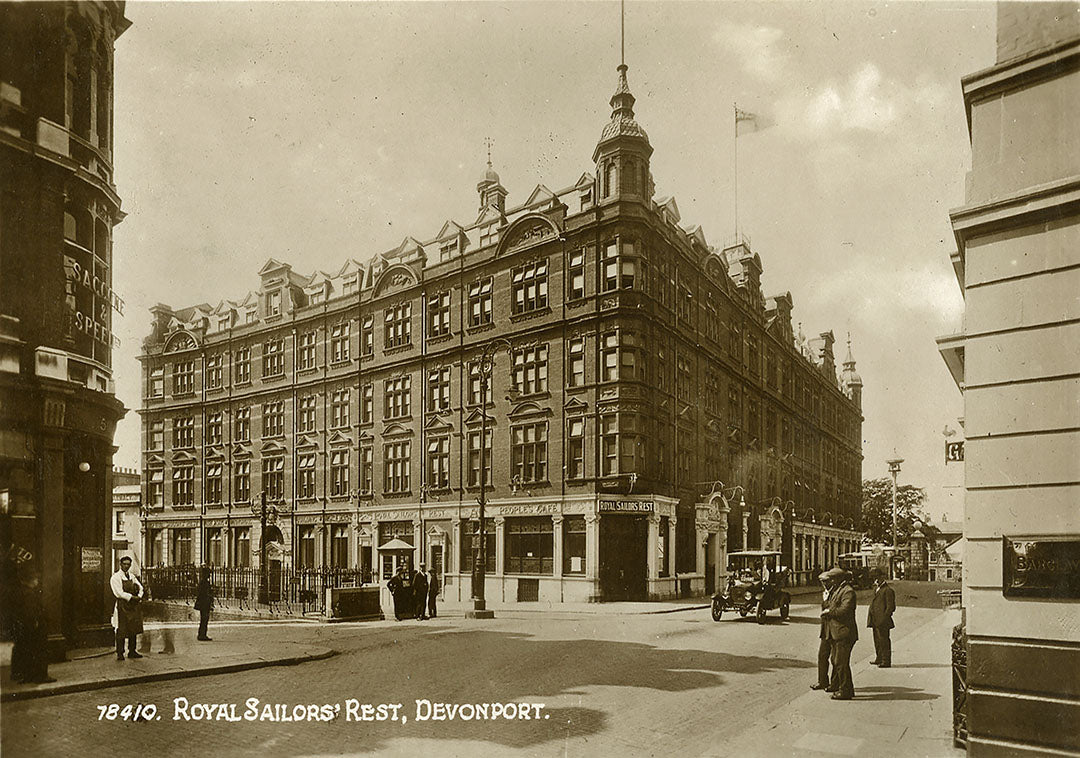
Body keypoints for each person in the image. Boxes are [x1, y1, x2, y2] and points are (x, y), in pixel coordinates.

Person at [10, 570, 55, 684]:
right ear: (30, 580)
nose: (37, 581)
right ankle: (41, 676)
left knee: (27, 651)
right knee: (40, 650)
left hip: (24, 627)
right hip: (35, 627)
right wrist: (36, 622)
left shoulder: (20, 592)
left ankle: (27, 676)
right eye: (35, 579)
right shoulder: (29, 594)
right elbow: (31, 612)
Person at [821, 567, 858, 700]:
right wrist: (826, 601)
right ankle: (845, 688)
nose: (829, 581)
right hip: (837, 632)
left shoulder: (848, 592)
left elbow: (844, 611)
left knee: (841, 662)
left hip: (845, 633)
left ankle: (845, 690)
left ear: (838, 579)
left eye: (831, 579)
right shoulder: (837, 590)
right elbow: (828, 605)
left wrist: (829, 612)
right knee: (837, 661)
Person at [110, 556, 144, 660]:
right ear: (120, 564)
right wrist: (131, 597)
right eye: (124, 564)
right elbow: (119, 593)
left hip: (133, 606)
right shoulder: (116, 577)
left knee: (133, 628)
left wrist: (139, 596)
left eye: (128, 564)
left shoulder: (132, 576)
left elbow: (140, 587)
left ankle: (132, 651)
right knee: (121, 629)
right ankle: (120, 653)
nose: (126, 566)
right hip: (122, 606)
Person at [810, 569, 835, 692]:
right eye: (823, 582)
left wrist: (825, 600)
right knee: (822, 655)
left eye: (826, 582)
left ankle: (835, 684)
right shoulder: (827, 592)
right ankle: (822, 681)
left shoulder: (835, 593)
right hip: (826, 630)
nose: (824, 585)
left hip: (835, 630)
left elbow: (831, 609)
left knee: (835, 658)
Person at [867, 570, 897, 667]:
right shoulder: (877, 589)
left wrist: (883, 618)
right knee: (877, 640)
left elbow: (891, 607)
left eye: (877, 578)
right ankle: (879, 658)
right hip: (875, 620)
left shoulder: (888, 590)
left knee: (884, 641)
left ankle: (886, 661)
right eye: (874, 578)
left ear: (882, 577)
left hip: (882, 621)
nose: (876, 580)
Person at [194, 566, 214, 641]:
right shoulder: (204, 583)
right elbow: (203, 594)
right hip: (204, 603)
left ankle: (202, 634)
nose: (209, 575)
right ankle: (202, 635)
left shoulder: (203, 582)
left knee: (204, 619)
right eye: (208, 574)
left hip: (204, 603)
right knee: (204, 619)